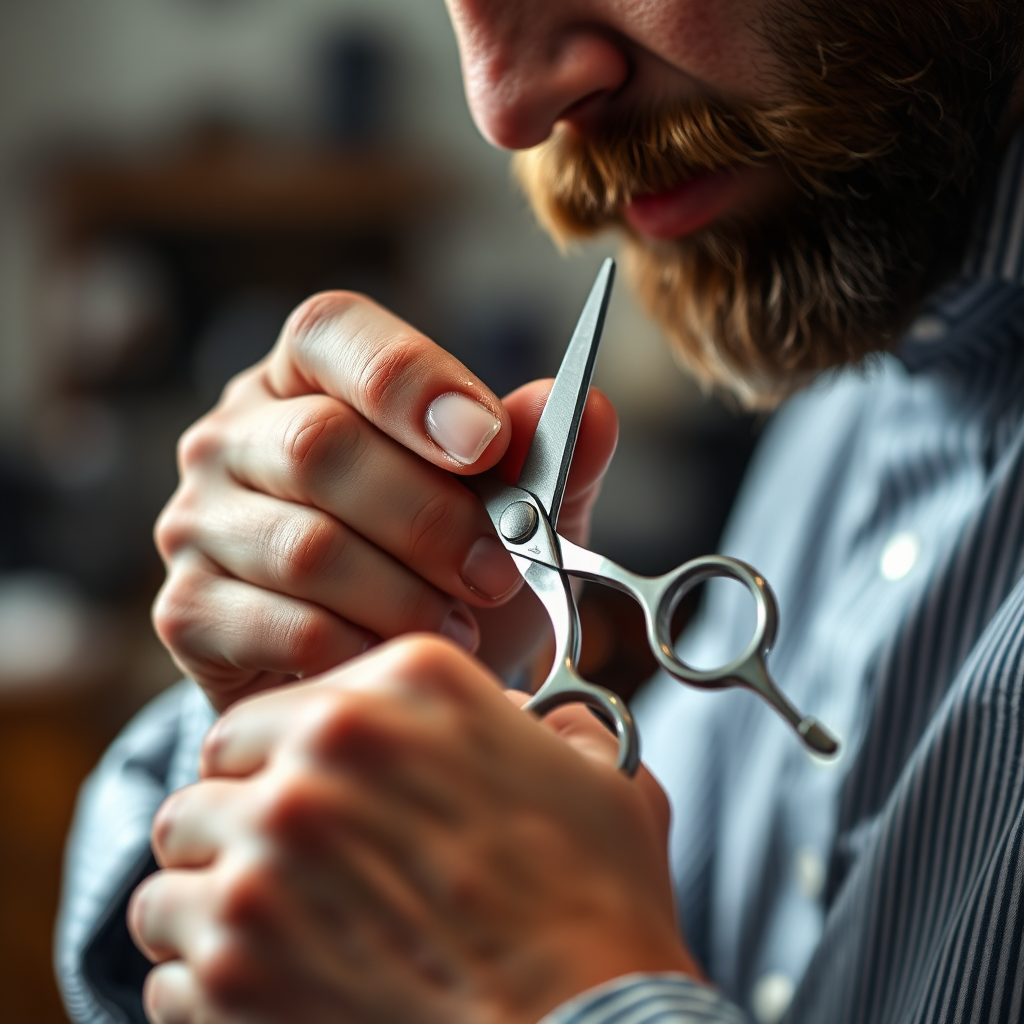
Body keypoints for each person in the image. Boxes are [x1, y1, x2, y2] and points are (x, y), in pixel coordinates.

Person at [57, 1, 1024, 1022]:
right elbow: (601, 915)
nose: (506, 108)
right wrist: (351, 732)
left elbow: (578, 960)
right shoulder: (855, 396)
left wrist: (569, 997)